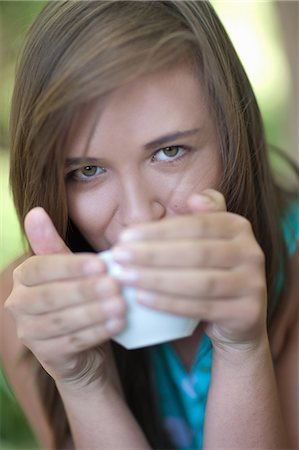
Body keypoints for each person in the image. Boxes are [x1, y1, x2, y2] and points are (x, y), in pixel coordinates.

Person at [1, 1, 298, 449]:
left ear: (231, 138)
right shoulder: (29, 312)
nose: (139, 218)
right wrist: (83, 383)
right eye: (87, 171)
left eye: (170, 152)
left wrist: (241, 349)